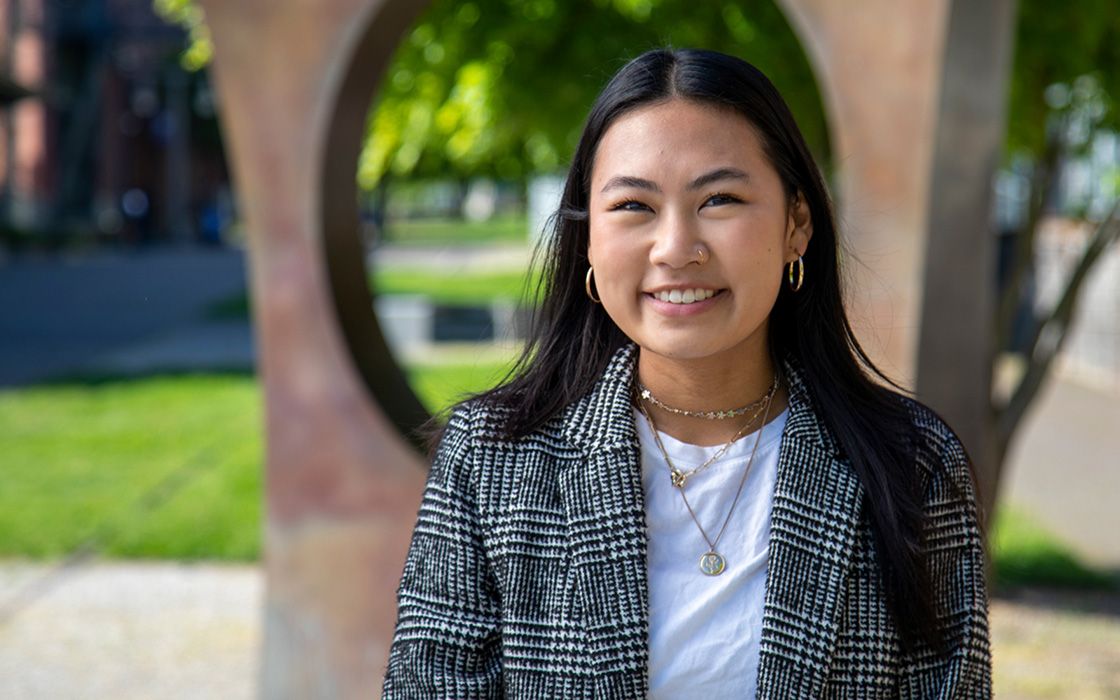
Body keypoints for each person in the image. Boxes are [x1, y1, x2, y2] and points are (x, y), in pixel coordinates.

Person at [382, 48, 991, 699]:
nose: (676, 248)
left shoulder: (911, 465)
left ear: (797, 224)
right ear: (588, 240)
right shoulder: (492, 459)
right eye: (633, 207)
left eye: (720, 199)